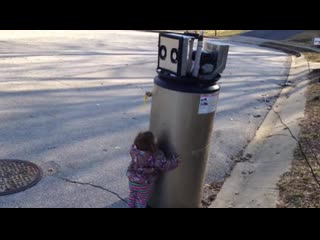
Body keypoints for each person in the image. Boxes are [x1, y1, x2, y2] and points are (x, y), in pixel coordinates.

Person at [127, 131, 180, 208]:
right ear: (152, 146)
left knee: (132, 196)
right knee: (141, 200)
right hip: (144, 183)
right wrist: (175, 162)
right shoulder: (154, 157)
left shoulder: (134, 151)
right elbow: (164, 165)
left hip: (132, 180)